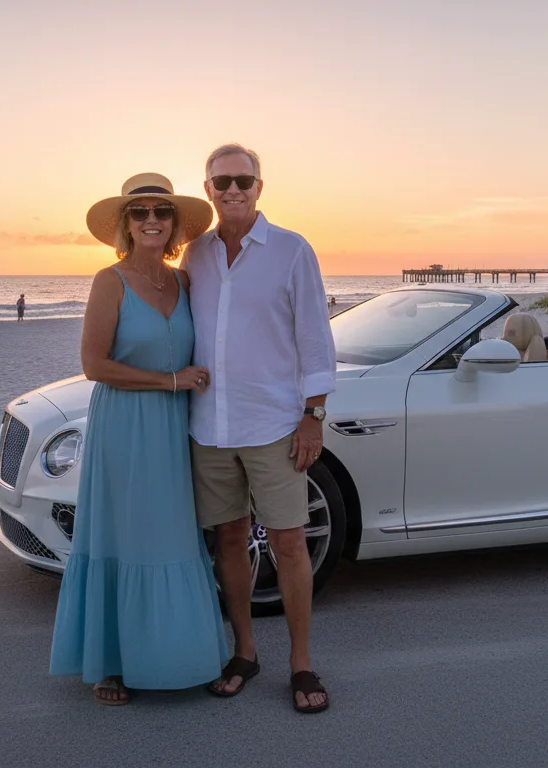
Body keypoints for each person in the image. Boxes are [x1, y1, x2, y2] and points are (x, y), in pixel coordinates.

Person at [48, 172, 227, 705]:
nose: (152, 219)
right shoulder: (110, 280)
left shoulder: (184, 280)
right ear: (125, 225)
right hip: (125, 426)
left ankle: (183, 656)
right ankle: (113, 663)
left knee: (173, 536)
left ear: (174, 224)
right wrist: (168, 381)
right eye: (140, 211)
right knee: (124, 536)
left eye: (162, 211)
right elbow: (93, 364)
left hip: (175, 426)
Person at [179, 144, 336, 714]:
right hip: (210, 426)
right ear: (208, 190)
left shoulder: (292, 251)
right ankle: (244, 652)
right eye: (221, 183)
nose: (232, 190)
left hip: (273, 422)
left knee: (290, 543)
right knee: (227, 540)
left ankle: (300, 662)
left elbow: (316, 338)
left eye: (242, 180)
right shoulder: (193, 255)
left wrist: (313, 415)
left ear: (260, 186)